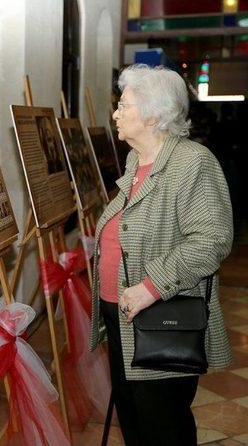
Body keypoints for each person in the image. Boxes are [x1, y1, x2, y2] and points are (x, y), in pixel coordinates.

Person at [89, 64, 233, 446]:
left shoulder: (192, 163)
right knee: (134, 417)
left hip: (158, 316)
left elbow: (211, 239)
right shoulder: (136, 161)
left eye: (124, 105)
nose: (116, 113)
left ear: (153, 115)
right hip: (121, 312)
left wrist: (151, 286)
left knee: (162, 425)